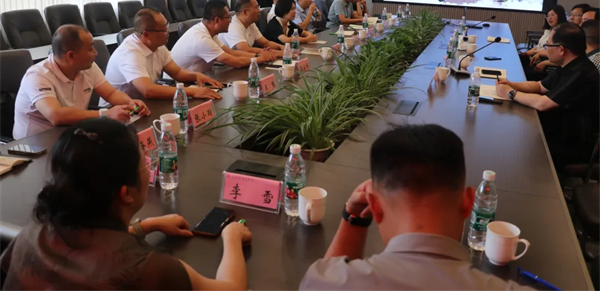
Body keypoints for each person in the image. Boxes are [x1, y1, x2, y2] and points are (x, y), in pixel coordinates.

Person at [0, 118, 252, 290]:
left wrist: (146, 226)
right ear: (126, 193)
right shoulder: (150, 269)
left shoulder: (33, 231)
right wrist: (231, 237)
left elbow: (87, 249)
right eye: (145, 163)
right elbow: (230, 288)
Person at [300, 124, 532, 290]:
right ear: (468, 202)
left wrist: (354, 219)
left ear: (374, 206)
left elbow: (330, 270)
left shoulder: (325, 282)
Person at [12, 25, 149, 140]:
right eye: (90, 49)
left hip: (71, 135)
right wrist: (106, 114)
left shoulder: (88, 67)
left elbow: (111, 93)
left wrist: (130, 103)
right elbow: (56, 115)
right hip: (34, 145)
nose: (95, 53)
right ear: (71, 55)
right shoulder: (38, 75)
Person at [497, 23, 599, 168]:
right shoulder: (569, 65)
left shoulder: (581, 73)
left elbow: (543, 104)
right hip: (557, 130)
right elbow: (539, 86)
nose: (545, 50)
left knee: (514, 148)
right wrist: (511, 84)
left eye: (548, 46)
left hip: (573, 144)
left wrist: (511, 93)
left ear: (561, 49)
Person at [104, 8, 222, 101]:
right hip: (117, 110)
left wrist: (196, 76)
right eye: (164, 30)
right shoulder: (130, 53)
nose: (168, 31)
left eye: (167, 26)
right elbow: (148, 90)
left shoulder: (158, 46)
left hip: (142, 104)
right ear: (146, 35)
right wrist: (192, 92)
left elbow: (177, 72)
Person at [171, 0, 277, 73]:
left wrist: (260, 55)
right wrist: (261, 58)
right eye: (228, 18)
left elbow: (232, 53)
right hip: (180, 85)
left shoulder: (209, 32)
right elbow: (236, 62)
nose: (230, 21)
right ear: (217, 20)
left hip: (200, 77)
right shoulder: (202, 39)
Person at [219, 0, 284, 57]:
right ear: (245, 12)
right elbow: (245, 50)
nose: (259, 10)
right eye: (256, 7)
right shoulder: (233, 26)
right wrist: (277, 53)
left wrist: (282, 47)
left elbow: (265, 43)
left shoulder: (251, 24)